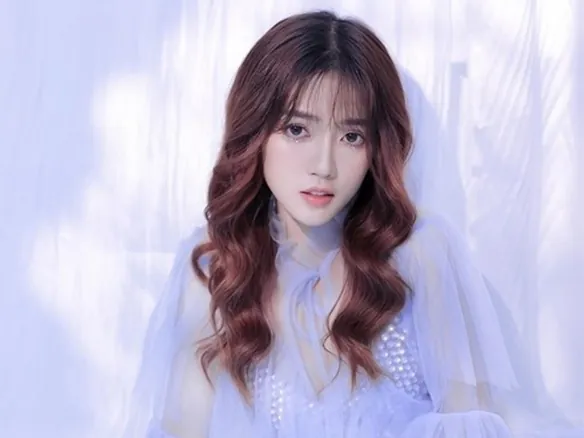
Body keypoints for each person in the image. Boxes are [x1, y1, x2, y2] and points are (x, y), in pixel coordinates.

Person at [121, 10, 583, 438]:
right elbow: (182, 429)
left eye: (351, 136)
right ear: (255, 133)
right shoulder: (217, 268)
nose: (323, 165)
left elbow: (469, 425)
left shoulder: (419, 255)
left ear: (377, 146)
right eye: (297, 129)